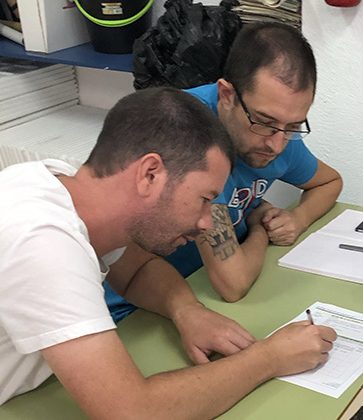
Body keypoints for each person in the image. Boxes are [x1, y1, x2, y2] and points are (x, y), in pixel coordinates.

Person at [0, 87, 337, 417]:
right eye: (205, 199)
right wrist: (269, 358)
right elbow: (131, 411)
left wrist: (186, 310)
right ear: (150, 174)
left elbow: (134, 270)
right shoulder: (42, 241)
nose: (208, 222)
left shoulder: (58, 184)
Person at [104, 22, 343, 315]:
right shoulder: (190, 138)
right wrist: (260, 229)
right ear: (227, 95)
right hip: (137, 308)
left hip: (198, 296)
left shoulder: (276, 128)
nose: (277, 145)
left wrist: (299, 217)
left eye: (293, 126)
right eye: (265, 122)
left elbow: (329, 181)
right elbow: (233, 283)